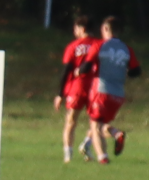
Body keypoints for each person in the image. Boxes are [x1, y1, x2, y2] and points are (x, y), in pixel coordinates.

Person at [79, 16, 140, 165]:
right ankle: (112, 135)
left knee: (95, 125)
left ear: (106, 29)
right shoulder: (127, 49)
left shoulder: (99, 45)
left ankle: (103, 158)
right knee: (100, 126)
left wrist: (78, 71)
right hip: (118, 94)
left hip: (101, 90)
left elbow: (86, 67)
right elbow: (136, 71)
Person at [53, 14, 100, 163]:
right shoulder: (100, 45)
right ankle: (87, 143)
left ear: (82, 28)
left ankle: (68, 155)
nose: (74, 31)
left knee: (71, 121)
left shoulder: (73, 46)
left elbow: (67, 70)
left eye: (76, 28)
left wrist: (60, 94)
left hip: (77, 87)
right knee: (98, 120)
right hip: (96, 87)